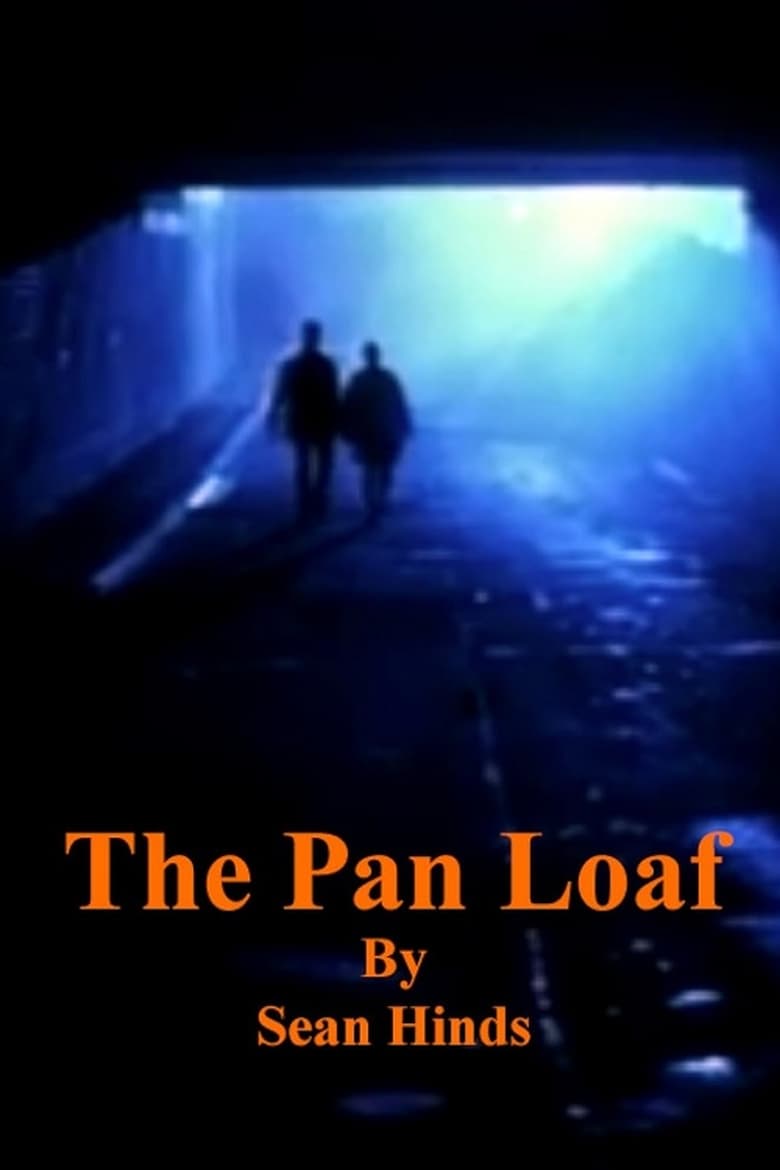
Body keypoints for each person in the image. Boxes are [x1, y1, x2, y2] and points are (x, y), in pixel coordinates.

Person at [267, 320, 340, 522]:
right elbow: (334, 394)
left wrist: (273, 416)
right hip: (322, 419)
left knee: (303, 463)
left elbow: (279, 393)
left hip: (302, 419)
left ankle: (306, 503)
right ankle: (318, 499)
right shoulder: (326, 365)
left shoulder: (292, 364)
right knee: (322, 463)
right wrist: (340, 420)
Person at [340, 342, 412, 518]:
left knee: (377, 467)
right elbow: (349, 404)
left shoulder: (364, 378)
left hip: (378, 429)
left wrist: (347, 428)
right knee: (374, 467)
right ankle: (375, 501)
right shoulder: (381, 378)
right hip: (373, 430)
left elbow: (398, 402)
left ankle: (375, 501)